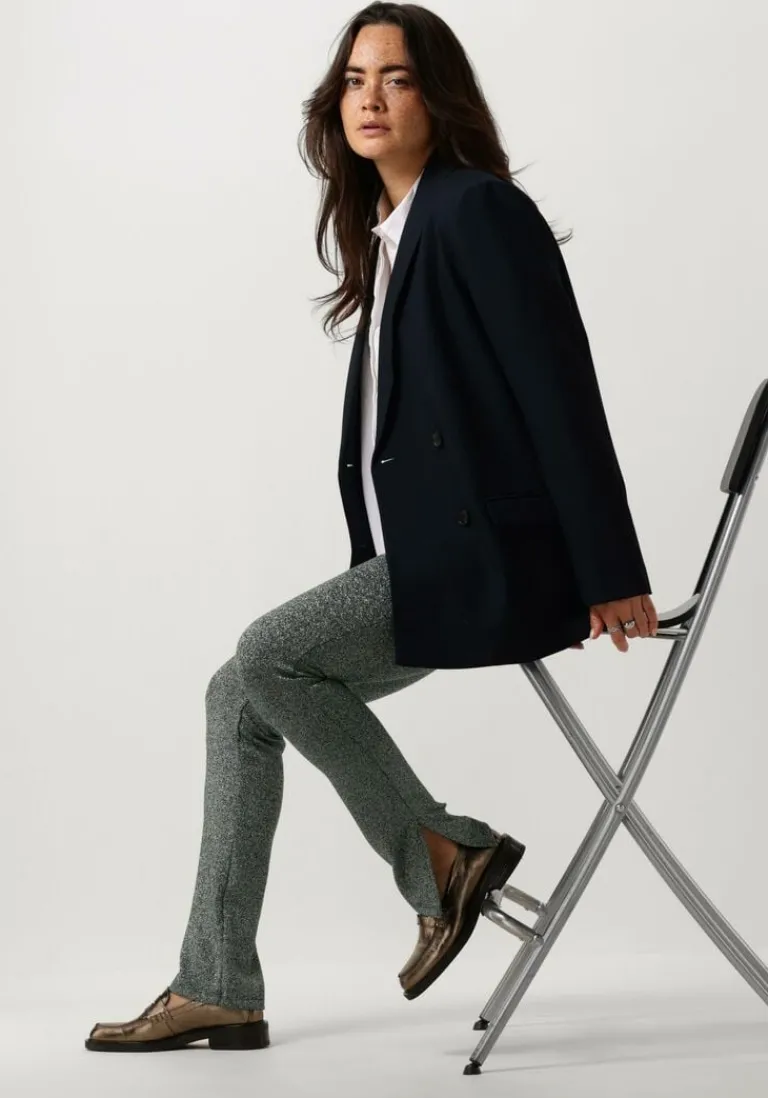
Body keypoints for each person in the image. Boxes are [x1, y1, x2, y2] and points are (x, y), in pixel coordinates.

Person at [85, 1, 658, 1054]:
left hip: (488, 559)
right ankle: (218, 983)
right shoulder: (395, 236)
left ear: (438, 97)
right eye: (355, 80)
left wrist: (610, 567)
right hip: (428, 560)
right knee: (238, 693)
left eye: (395, 78)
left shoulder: (476, 212)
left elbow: (560, 394)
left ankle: (439, 853)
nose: (371, 99)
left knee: (269, 652)